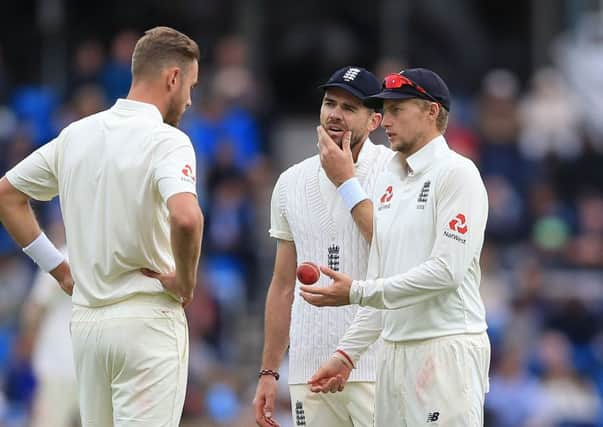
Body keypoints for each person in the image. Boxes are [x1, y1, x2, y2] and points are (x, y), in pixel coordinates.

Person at [0, 26, 204, 427]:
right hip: (147, 320)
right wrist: (185, 281)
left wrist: (58, 269)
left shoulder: (76, 135)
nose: (191, 99)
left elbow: (7, 194)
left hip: (89, 326)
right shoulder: (168, 141)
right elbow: (187, 216)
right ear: (172, 78)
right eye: (191, 86)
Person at [300, 68, 491, 426]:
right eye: (383, 110)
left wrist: (356, 291)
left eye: (396, 110)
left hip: (445, 347)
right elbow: (386, 278)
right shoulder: (389, 179)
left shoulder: (457, 173)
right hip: (392, 353)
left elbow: (446, 272)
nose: (385, 121)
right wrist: (346, 353)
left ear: (431, 112)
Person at [253, 66, 393, 427]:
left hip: (376, 367)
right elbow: (283, 285)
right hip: (308, 369)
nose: (335, 114)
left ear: (374, 120)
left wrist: (346, 181)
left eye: (349, 108)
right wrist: (269, 371)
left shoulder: (395, 172)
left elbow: (394, 251)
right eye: (330, 103)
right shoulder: (290, 182)